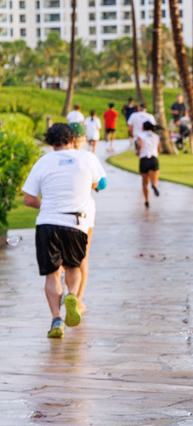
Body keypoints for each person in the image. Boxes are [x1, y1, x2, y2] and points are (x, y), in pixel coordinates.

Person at [21, 123, 102, 339]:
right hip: (76, 223)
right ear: (72, 139)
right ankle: (73, 295)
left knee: (51, 273)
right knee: (74, 266)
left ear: (50, 142)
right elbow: (98, 184)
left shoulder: (42, 162)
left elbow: (28, 199)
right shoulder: (86, 158)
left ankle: (56, 319)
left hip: (48, 223)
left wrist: (46, 205)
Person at [71, 122, 108, 315]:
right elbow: (102, 184)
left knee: (62, 261)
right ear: (84, 139)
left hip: (56, 214)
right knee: (83, 257)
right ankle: (79, 300)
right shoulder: (89, 157)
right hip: (84, 213)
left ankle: (66, 291)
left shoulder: (53, 157)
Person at [135, 120, 161, 209]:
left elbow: (140, 145)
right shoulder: (156, 136)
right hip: (153, 158)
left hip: (144, 159)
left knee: (144, 182)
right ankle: (154, 185)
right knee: (154, 179)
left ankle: (146, 200)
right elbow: (159, 149)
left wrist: (138, 152)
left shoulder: (140, 136)